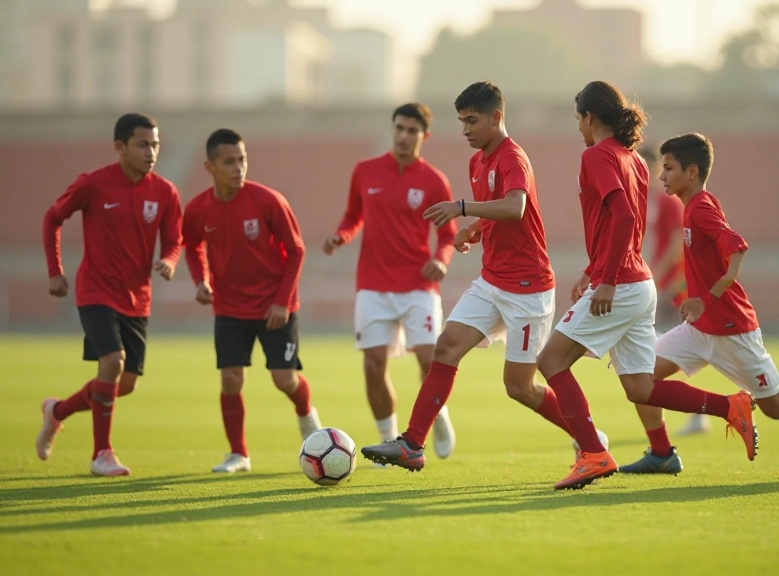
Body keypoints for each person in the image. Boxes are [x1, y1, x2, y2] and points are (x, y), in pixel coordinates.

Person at [361, 81, 598, 472]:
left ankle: (588, 439)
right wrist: (476, 229)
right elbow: (499, 215)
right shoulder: (477, 161)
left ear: (496, 117)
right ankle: (412, 444)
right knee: (446, 347)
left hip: (528, 287)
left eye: (472, 121)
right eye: (461, 122)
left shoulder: (512, 158)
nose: (465, 130)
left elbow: (515, 207)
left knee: (520, 387)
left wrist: (462, 208)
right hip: (492, 281)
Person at [617, 132, 779, 481]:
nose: (662, 175)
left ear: (693, 171)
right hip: (699, 330)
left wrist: (705, 299)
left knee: (778, 408)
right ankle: (661, 452)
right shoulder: (690, 207)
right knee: (641, 377)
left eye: (668, 168)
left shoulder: (700, 208)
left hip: (733, 330)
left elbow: (737, 248)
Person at [535, 81, 668, 489]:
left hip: (622, 283)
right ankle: (729, 406)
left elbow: (625, 218)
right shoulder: (635, 159)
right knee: (641, 387)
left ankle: (593, 453)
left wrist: (606, 281)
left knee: (550, 362)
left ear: (589, 117)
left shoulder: (595, 156)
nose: (578, 127)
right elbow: (624, 224)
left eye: (578, 119)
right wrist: (595, 271)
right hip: (636, 279)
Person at [36, 113, 182, 476]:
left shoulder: (165, 191)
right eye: (143, 144)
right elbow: (52, 218)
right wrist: (55, 272)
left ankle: (57, 412)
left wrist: (168, 260)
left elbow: (174, 239)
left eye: (156, 144)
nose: (152, 152)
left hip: (138, 298)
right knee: (112, 363)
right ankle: (102, 454)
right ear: (120, 147)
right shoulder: (93, 184)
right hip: (96, 291)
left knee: (124, 384)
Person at [323, 103, 457, 459]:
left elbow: (447, 234)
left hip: (418, 285)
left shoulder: (433, 180)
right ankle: (387, 438)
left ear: (424, 136)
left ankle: (437, 414)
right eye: (399, 128)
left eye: (412, 131)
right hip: (373, 284)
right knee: (372, 366)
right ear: (392, 129)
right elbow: (353, 216)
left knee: (430, 362)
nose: (403, 136)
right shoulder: (365, 171)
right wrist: (341, 236)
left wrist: (441, 262)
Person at [183, 128, 319, 474]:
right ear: (210, 166)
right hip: (229, 308)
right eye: (229, 161)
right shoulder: (198, 208)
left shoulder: (268, 200)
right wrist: (201, 281)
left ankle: (308, 419)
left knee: (283, 380)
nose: (238, 167)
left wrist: (282, 302)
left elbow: (297, 250)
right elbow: (192, 245)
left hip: (275, 305)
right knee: (230, 378)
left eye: (242, 159)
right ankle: (238, 454)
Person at [640, 145, 709, 438]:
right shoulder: (645, 200)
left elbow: (675, 243)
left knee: (671, 351)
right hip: (655, 283)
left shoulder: (667, 202)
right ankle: (690, 411)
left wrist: (659, 279)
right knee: (661, 353)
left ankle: (698, 411)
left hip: (670, 286)